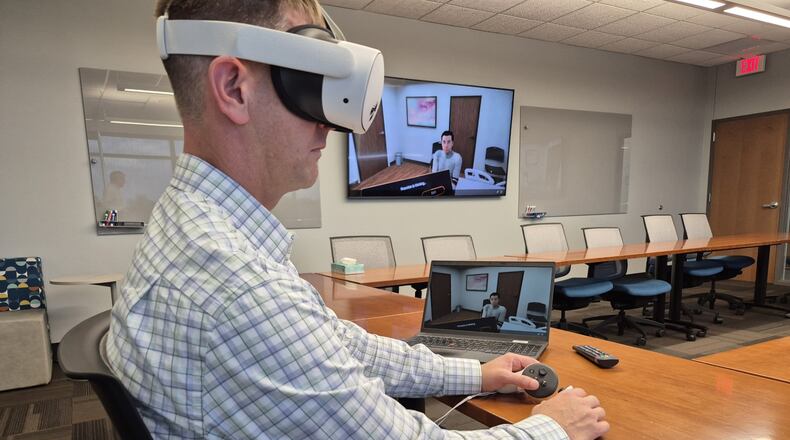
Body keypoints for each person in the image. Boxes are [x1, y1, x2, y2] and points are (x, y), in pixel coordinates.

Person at [106, 1, 609, 439]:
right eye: (306, 84)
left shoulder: (197, 231)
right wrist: (555, 429)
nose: (329, 121)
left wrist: (476, 376)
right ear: (234, 88)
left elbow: (339, 347)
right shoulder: (239, 287)